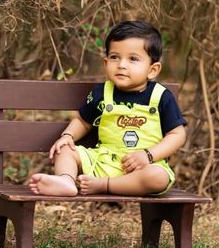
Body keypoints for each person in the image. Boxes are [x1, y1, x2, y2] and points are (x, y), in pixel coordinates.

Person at [29, 20, 187, 197]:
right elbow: (83, 121)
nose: (121, 65)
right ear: (105, 63)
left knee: (158, 177)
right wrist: (67, 136)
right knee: (65, 149)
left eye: (133, 59)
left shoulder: (160, 96)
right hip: (102, 161)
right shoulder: (103, 92)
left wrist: (148, 155)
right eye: (114, 57)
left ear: (153, 70)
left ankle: (105, 185)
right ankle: (66, 181)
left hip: (143, 166)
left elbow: (177, 135)